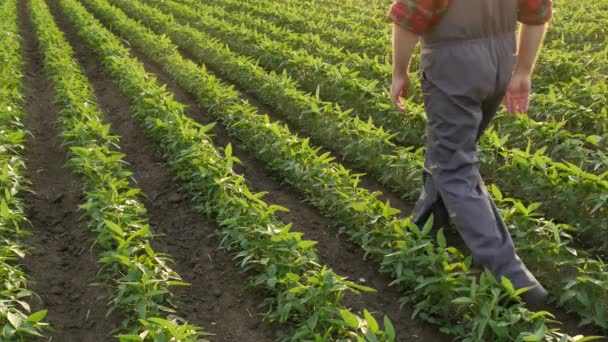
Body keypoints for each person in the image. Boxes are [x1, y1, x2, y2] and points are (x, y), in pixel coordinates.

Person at [388, 0, 553, 307]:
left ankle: (514, 279)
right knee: (450, 150)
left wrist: (400, 72)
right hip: (500, 61)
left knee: (452, 165)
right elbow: (537, 14)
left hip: (453, 65)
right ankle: (424, 227)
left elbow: (408, 17)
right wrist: (522, 71)